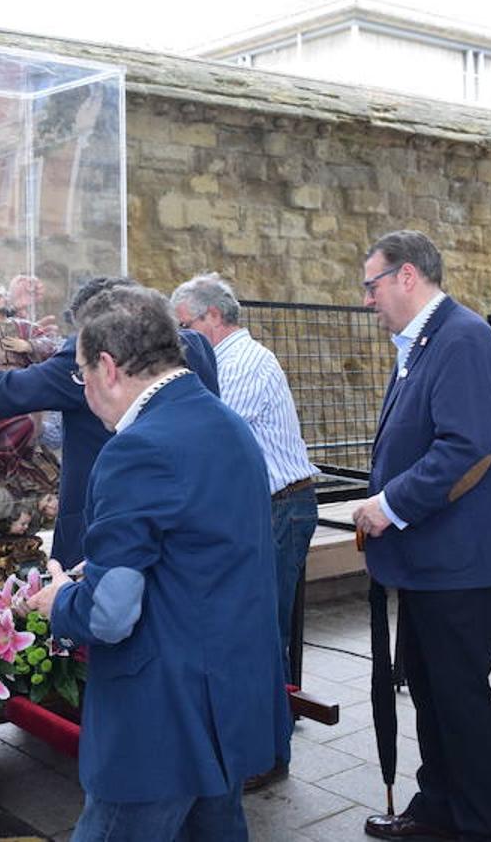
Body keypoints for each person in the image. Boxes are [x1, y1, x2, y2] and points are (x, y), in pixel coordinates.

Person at [29, 286, 289, 842]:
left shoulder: (137, 447)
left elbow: (109, 616)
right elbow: (197, 552)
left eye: (80, 375)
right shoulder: (226, 423)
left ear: (107, 366)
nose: (83, 392)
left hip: (163, 713)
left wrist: (61, 601)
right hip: (227, 696)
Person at [350, 230, 491, 842]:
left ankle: (479, 827)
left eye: (371, 285)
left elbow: (466, 447)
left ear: (405, 276)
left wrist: (389, 504)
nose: (367, 299)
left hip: (463, 566)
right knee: (430, 692)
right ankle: (438, 808)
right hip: (432, 564)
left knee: (460, 702)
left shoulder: (462, 340)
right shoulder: (425, 341)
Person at [0, 276, 221, 567]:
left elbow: (11, 390)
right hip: (186, 520)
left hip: (102, 523)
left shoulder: (90, 358)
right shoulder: (194, 345)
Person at [170, 272, 318, 684]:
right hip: (266, 508)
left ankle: (273, 725)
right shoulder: (223, 361)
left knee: (265, 626)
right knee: (253, 621)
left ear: (213, 315)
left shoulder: (246, 360)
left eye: (185, 326)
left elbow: (214, 428)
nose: (182, 338)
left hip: (281, 508)